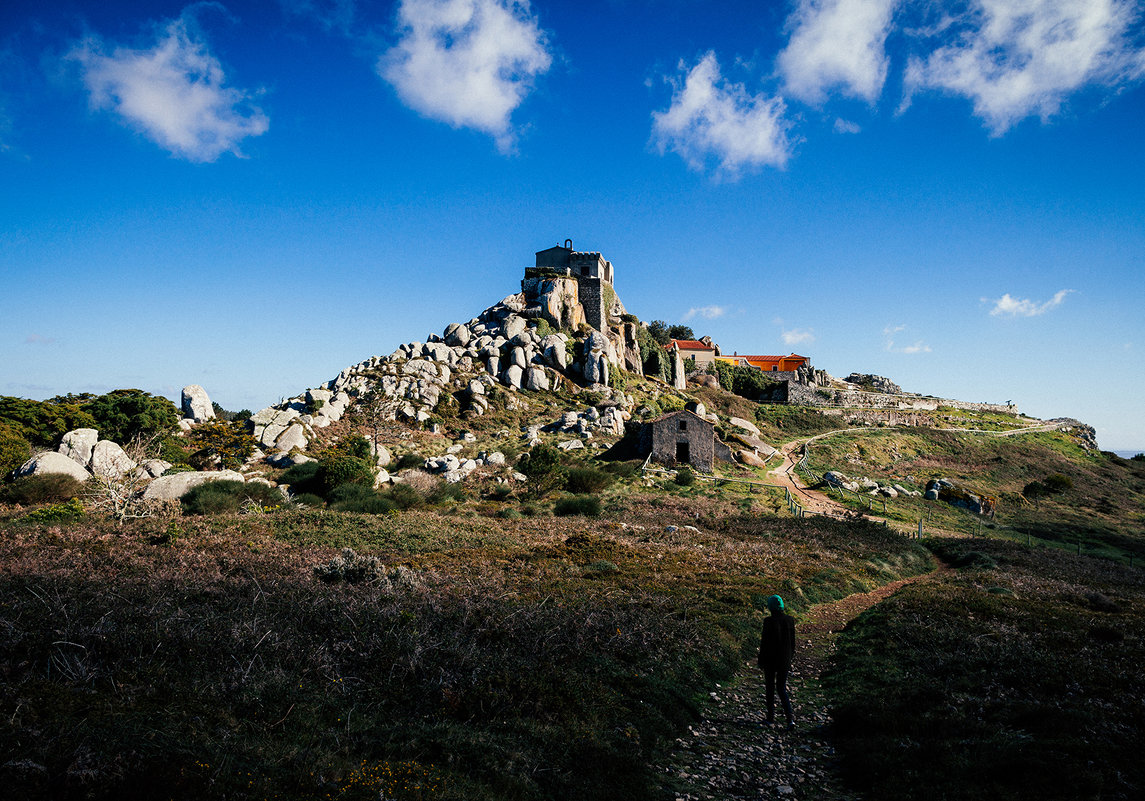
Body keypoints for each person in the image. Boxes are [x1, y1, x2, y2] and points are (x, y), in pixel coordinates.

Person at [758, 594, 796, 730]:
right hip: (784, 660)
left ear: (770, 606)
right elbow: (793, 643)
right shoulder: (790, 620)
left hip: (770, 659)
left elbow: (765, 643)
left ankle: (770, 718)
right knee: (781, 688)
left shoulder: (768, 621)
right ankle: (790, 719)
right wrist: (790, 657)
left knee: (770, 688)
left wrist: (761, 659)